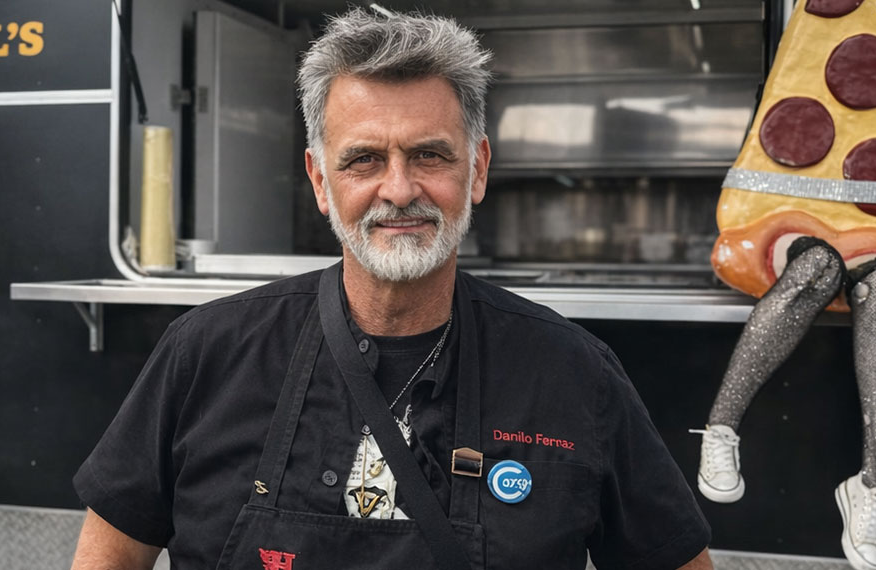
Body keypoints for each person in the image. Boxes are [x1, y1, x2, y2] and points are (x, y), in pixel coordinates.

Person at [70, 7, 713, 569]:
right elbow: (109, 556)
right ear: (321, 181)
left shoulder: (574, 374)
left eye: (430, 155)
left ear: (478, 169)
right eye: (363, 160)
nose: (399, 190)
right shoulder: (204, 353)